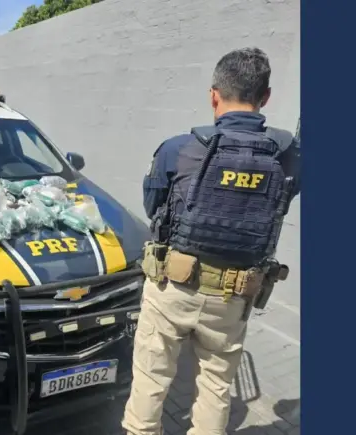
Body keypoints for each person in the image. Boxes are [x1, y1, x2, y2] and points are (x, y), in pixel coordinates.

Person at [122, 47, 301, 435]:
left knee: (151, 380)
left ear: (214, 96)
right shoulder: (287, 158)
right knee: (217, 387)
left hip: (172, 287)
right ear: (266, 97)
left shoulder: (178, 149)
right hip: (233, 297)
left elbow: (153, 206)